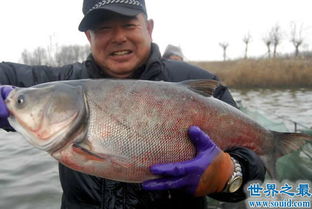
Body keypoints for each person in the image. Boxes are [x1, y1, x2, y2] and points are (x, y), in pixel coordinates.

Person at [0, 0, 266, 208]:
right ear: (89, 37)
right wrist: (15, 104)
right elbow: (10, 76)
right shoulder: (65, 82)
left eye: (128, 25)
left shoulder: (200, 82)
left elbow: (254, 169)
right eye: (103, 28)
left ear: (148, 28)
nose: (118, 37)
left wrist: (228, 174)